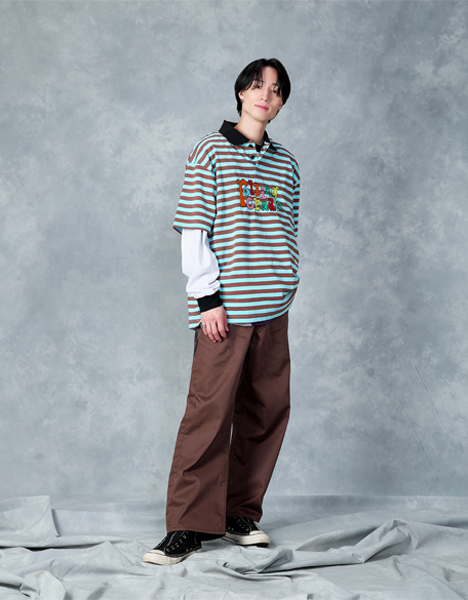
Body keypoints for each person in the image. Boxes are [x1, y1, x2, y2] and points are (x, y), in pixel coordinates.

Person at [143, 58, 300, 566]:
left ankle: (239, 514)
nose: (265, 94)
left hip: (273, 309)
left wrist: (288, 280)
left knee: (265, 413)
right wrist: (208, 298)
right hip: (225, 312)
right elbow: (195, 230)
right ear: (241, 93)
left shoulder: (287, 164)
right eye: (257, 85)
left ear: (281, 102)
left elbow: (287, 229)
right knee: (208, 415)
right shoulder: (210, 151)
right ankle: (187, 526)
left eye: (275, 89)